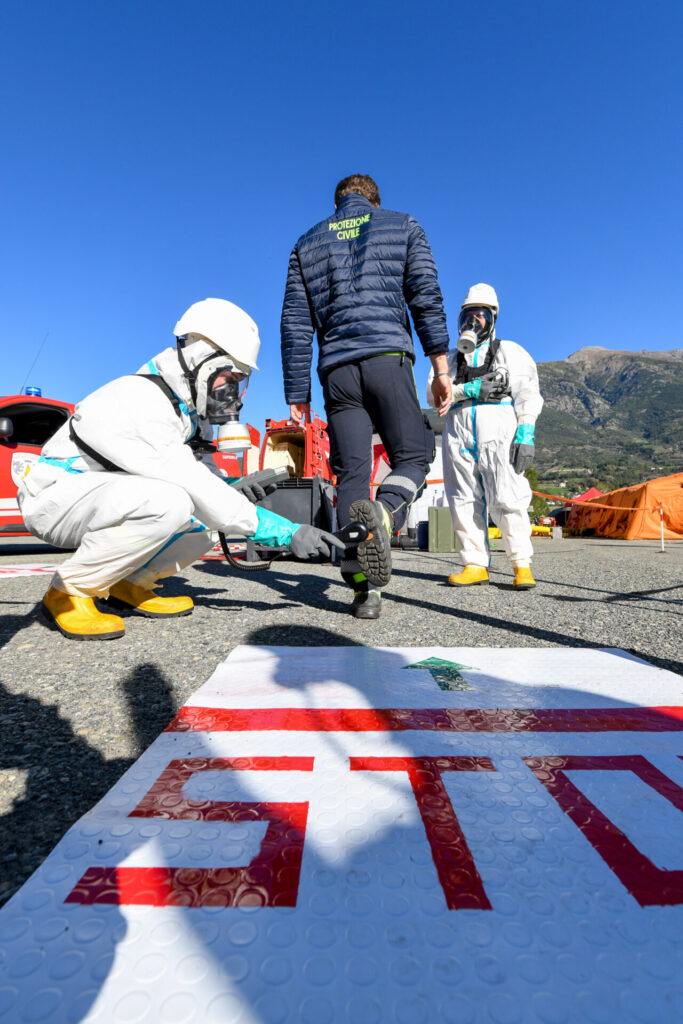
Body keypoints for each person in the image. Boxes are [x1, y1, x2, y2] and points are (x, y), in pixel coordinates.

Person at [17, 298, 345, 640]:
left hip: (102, 495)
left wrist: (232, 487)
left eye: (240, 381)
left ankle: (129, 584)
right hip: (58, 497)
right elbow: (186, 480)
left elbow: (201, 481)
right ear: (201, 361)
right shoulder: (138, 399)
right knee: (168, 502)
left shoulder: (186, 414)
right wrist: (285, 533)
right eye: (228, 377)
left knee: (204, 519)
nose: (233, 392)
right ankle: (69, 591)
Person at [280, 173, 452, 619]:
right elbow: (425, 296)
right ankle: (386, 513)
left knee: (349, 473)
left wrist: (297, 394)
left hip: (336, 370)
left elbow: (296, 323)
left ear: (339, 202)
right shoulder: (403, 225)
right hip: (387, 357)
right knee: (414, 455)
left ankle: (364, 591)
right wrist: (440, 367)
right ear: (374, 201)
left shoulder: (306, 243)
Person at [427, 283, 543, 588]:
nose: (472, 321)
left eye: (480, 315)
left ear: (492, 318)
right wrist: (468, 389)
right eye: (467, 314)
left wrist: (526, 431)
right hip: (458, 434)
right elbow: (432, 394)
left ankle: (521, 563)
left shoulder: (511, 352)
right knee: (462, 499)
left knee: (508, 496)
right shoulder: (449, 360)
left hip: (499, 432)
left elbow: (528, 393)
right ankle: (475, 563)